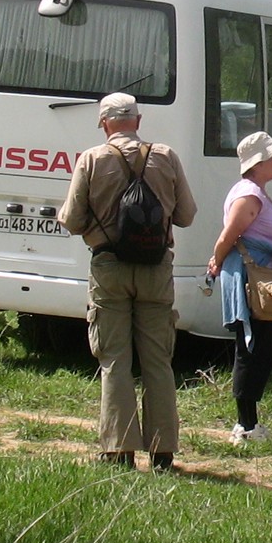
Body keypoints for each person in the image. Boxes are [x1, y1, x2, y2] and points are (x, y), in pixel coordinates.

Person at [57, 91, 198, 471]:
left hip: (109, 269)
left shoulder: (92, 158)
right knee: (158, 360)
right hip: (156, 269)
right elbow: (186, 215)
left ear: (105, 123)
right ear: (138, 120)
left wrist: (100, 227)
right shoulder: (165, 156)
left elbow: (70, 220)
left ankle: (118, 449)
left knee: (115, 359)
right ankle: (163, 449)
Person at [207, 131, 272, 445]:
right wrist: (215, 262)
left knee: (260, 348)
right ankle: (245, 425)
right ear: (258, 163)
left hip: (262, 281)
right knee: (252, 349)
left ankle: (249, 421)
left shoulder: (257, 191)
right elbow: (228, 235)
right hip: (252, 282)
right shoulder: (249, 195)